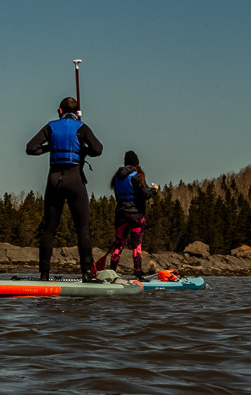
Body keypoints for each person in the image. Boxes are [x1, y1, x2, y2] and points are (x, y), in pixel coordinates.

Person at [26, 97, 103, 281]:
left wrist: (50, 148)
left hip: (54, 181)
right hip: (75, 179)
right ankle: (86, 274)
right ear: (76, 112)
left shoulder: (51, 126)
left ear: (60, 111)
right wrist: (82, 148)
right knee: (82, 228)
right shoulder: (81, 127)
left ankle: (44, 275)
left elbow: (31, 148)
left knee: (49, 229)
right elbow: (98, 149)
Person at [105, 150, 158, 281]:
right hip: (137, 216)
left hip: (121, 214)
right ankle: (138, 274)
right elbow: (146, 195)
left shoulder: (116, 176)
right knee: (136, 246)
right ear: (136, 164)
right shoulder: (137, 176)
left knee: (119, 244)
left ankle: (112, 273)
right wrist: (155, 189)